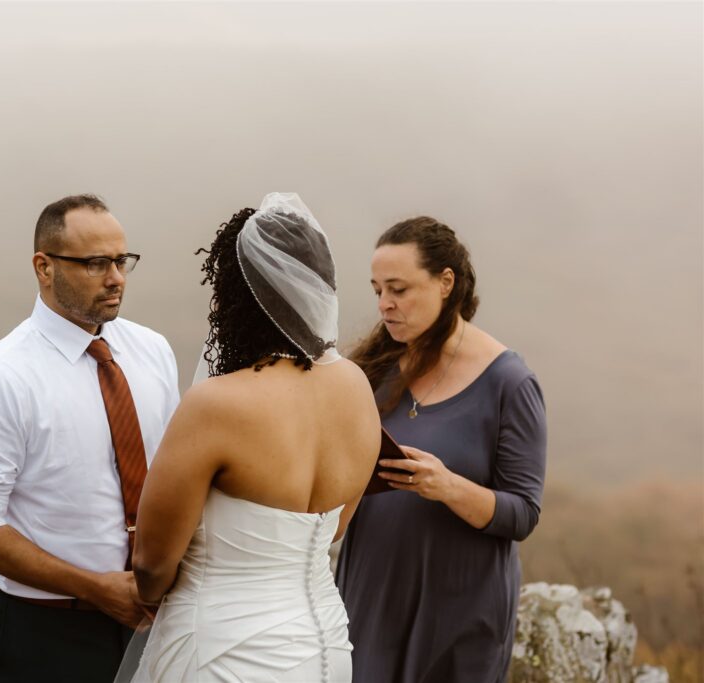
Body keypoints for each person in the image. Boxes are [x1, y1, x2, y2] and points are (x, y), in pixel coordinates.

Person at [126, 193, 381, 683]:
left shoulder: (216, 405)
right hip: (325, 645)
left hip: (223, 651)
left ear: (237, 298)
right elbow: (336, 527)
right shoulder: (356, 388)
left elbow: (152, 565)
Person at [0, 194, 180, 683]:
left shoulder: (152, 350)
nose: (116, 277)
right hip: (45, 629)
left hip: (158, 618)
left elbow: (173, 472)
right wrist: (97, 588)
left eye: (121, 260)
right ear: (44, 267)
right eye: (95, 263)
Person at [336, 216, 547, 683]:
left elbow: (523, 513)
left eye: (399, 289)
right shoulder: (373, 367)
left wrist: (447, 486)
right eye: (377, 291)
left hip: (460, 611)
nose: (385, 305)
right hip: (371, 595)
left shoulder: (509, 382)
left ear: (445, 282)